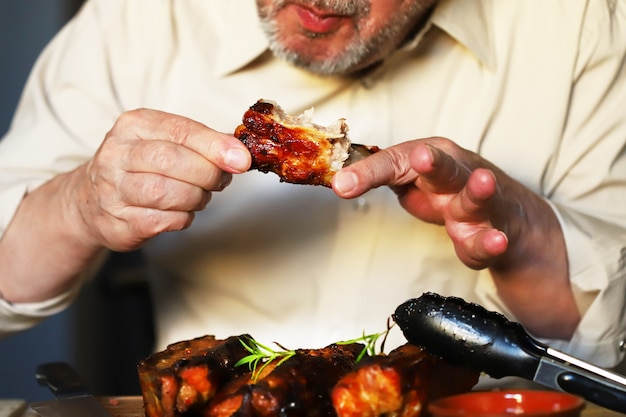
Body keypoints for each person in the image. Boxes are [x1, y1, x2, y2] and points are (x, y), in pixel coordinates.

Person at [0, 0, 625, 368]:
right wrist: (78, 205)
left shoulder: (585, 24)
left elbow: (606, 356)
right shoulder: (141, 18)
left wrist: (524, 239)